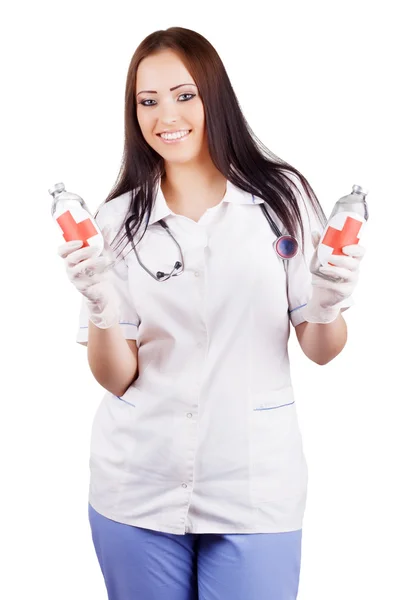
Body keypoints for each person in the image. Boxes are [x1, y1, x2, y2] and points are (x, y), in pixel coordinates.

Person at [57, 27, 366, 600]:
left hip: (254, 485)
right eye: (146, 102)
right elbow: (116, 376)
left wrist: (325, 303)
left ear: (213, 96)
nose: (164, 115)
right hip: (136, 485)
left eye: (183, 94)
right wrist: (101, 306)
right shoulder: (117, 221)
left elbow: (320, 349)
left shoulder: (282, 199)